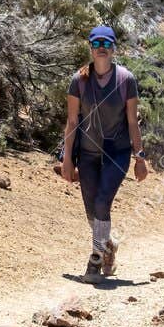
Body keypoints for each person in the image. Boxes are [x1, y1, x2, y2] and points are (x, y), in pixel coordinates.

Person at [60, 25, 148, 276]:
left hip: (117, 153)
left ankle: (95, 261)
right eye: (96, 44)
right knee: (92, 209)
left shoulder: (126, 80)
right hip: (87, 153)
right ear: (90, 47)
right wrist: (68, 159)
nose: (101, 49)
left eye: (106, 44)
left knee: (102, 201)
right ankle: (108, 245)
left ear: (113, 49)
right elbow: (72, 121)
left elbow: (132, 121)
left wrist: (139, 158)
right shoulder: (79, 80)